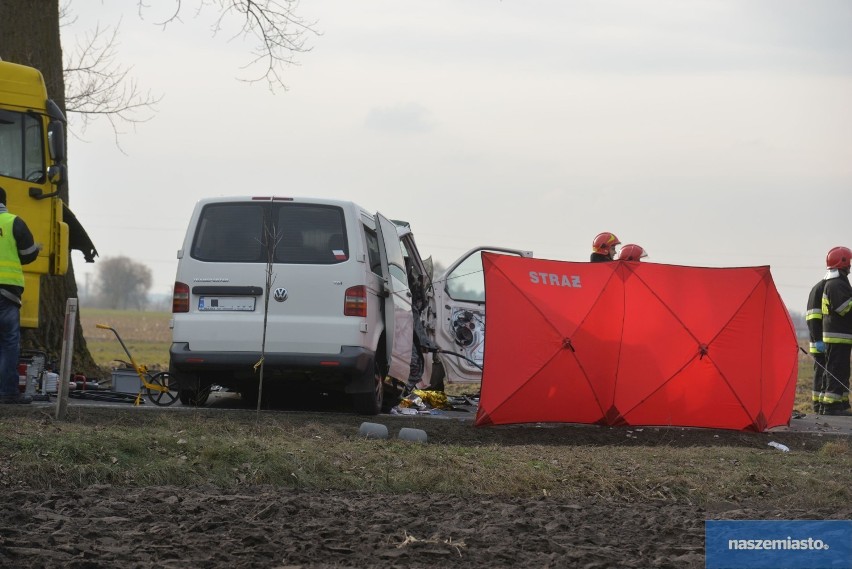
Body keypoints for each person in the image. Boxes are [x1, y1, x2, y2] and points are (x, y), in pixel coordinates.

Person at [0, 186, 40, 404]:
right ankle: (7, 392)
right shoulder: (13, 222)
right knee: (8, 342)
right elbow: (28, 254)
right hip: (6, 294)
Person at [821, 246, 852, 416]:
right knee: (835, 369)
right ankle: (831, 407)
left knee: (841, 370)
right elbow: (842, 307)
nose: (850, 267)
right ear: (843, 263)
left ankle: (840, 404)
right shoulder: (836, 284)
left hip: (841, 336)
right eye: (849, 263)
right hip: (837, 336)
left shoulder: (838, 283)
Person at [806, 272, 828, 414]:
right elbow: (813, 317)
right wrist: (818, 339)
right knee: (821, 372)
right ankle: (817, 405)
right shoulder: (821, 289)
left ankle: (819, 404)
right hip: (819, 340)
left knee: (822, 372)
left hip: (820, 339)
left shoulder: (820, 287)